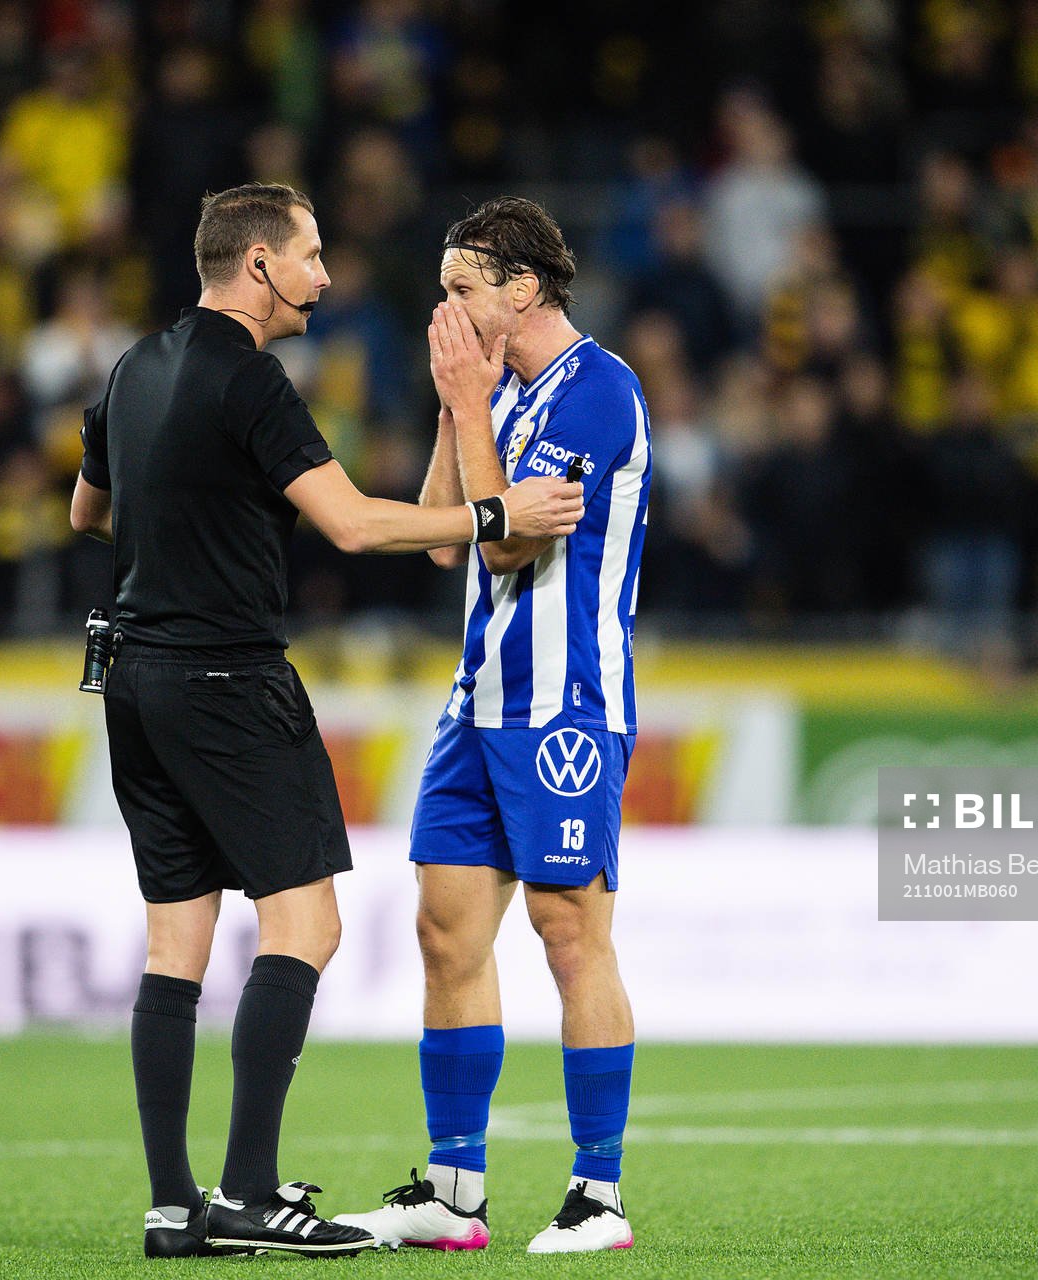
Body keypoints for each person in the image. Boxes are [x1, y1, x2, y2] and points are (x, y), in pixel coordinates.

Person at [69, 182, 581, 1259]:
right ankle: (251, 1191)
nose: (326, 276)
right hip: (228, 675)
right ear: (257, 266)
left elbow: (89, 510)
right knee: (306, 925)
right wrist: (496, 512)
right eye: (309, 256)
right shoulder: (250, 379)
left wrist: (191, 507)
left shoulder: (131, 368)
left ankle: (175, 1203)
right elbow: (351, 525)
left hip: (131, 676)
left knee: (176, 940)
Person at [336, 197, 650, 1254]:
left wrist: (478, 429)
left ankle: (597, 1196)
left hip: (565, 707)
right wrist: (452, 406)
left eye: (462, 286)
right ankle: (454, 1188)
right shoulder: (498, 393)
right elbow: (446, 537)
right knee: (446, 931)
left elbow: (507, 546)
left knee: (570, 932)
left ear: (524, 289)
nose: (446, 305)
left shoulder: (601, 391)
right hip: (477, 704)